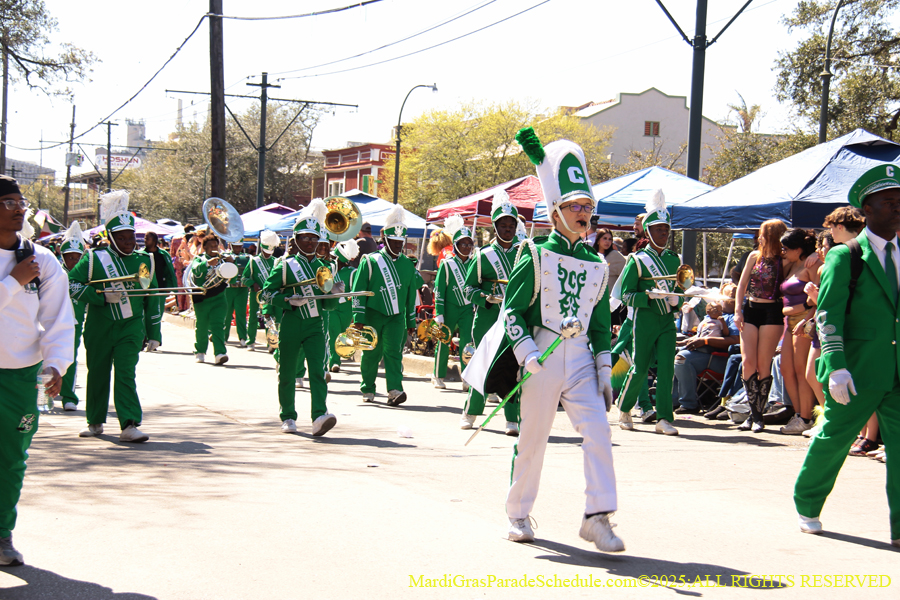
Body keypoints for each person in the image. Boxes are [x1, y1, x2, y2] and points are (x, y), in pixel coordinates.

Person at [485, 129, 622, 552]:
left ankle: (597, 516)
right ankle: (518, 512)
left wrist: (604, 369)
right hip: (540, 355)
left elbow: (601, 323)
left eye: (589, 206)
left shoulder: (596, 263)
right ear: (556, 210)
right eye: (577, 206)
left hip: (580, 358)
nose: (585, 213)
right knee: (533, 440)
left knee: (598, 432)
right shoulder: (534, 252)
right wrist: (526, 354)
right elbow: (511, 311)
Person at [794, 164, 900, 549]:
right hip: (856, 369)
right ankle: (807, 504)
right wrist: (835, 366)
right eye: (889, 202)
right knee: (834, 439)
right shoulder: (846, 256)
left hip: (897, 368)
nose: (898, 207)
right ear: (867, 210)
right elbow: (828, 313)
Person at [0, 176, 75, 566]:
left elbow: (60, 318)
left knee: (12, 458)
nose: (18, 208)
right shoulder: (22, 270)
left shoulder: (41, 260)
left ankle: (1, 535)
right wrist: (13, 283)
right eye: (7, 201)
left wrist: (55, 363)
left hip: (18, 377)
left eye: (20, 200)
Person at [68, 190, 161, 443]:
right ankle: (95, 421)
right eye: (122, 237)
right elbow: (72, 285)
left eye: (131, 237)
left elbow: (153, 298)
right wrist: (98, 296)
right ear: (111, 237)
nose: (129, 242)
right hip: (99, 326)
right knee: (97, 372)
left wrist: (154, 333)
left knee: (125, 372)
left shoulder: (145, 261)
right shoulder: (93, 258)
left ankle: (129, 424)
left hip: (130, 327)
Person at [262, 199, 339, 435]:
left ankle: (319, 416)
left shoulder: (325, 267)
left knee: (318, 371)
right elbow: (265, 293)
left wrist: (335, 293)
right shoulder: (284, 265)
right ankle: (287, 416)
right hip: (291, 323)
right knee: (286, 371)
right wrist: (285, 300)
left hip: (316, 324)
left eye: (315, 238)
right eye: (305, 238)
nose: (311, 242)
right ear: (296, 239)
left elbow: (328, 307)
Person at [616, 191, 684, 435]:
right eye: (658, 230)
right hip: (644, 319)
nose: (663, 234)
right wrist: (647, 296)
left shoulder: (675, 260)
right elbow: (626, 295)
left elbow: (679, 290)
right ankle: (624, 408)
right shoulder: (637, 259)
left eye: (666, 230)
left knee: (667, 368)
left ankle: (664, 418)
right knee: (639, 367)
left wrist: (677, 300)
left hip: (666, 320)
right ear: (648, 231)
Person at [461, 191, 521, 434]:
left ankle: (512, 419)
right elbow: (468, 289)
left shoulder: (524, 253)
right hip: (487, 318)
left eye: (511, 225)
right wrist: (485, 297)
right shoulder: (482, 255)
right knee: (482, 364)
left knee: (513, 368)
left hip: (515, 319)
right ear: (495, 228)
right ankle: (471, 413)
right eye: (503, 225)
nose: (507, 229)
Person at [350, 206, 423, 405]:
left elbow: (410, 295)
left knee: (394, 353)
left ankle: (395, 390)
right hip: (373, 314)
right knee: (372, 353)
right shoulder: (370, 261)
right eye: (394, 241)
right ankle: (368, 387)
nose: (398, 245)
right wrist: (358, 318)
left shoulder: (408, 265)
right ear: (385, 240)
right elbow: (359, 291)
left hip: (397, 317)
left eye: (401, 242)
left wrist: (410, 321)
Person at [733, 218, 788, 432]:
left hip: (772, 311)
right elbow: (742, 285)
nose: (760, 238)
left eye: (763, 234)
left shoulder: (784, 259)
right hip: (751, 309)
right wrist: (738, 310)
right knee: (748, 362)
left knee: (763, 363)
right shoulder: (753, 256)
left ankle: (758, 415)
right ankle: (753, 413)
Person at [777, 229, 820, 434]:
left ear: (798, 249)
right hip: (788, 322)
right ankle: (799, 413)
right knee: (786, 369)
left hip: (804, 322)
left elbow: (818, 294)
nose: (783, 251)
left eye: (786, 248)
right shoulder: (791, 263)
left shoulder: (812, 264)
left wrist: (805, 314)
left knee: (803, 371)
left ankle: (805, 417)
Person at [432, 214, 475, 391]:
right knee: (443, 341)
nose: (466, 247)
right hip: (449, 308)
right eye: (462, 244)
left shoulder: (474, 263)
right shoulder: (447, 264)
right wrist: (439, 313)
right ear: (455, 245)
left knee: (467, 343)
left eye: (469, 244)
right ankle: (437, 375)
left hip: (467, 309)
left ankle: (467, 377)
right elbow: (439, 290)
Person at [188, 236, 232, 365]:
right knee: (201, 326)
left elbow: (232, 278)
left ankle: (220, 353)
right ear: (204, 247)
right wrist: (207, 263)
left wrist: (231, 263)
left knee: (218, 325)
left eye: (216, 246)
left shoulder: (222, 261)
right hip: (202, 298)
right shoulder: (199, 259)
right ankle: (200, 352)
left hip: (219, 298)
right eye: (211, 246)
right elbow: (195, 269)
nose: (214, 249)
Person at [59, 221, 88, 411]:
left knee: (70, 358)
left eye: (78, 258)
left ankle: (68, 396)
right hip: (52, 323)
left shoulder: (88, 275)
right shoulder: (54, 273)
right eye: (70, 258)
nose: (74, 262)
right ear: (63, 257)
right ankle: (45, 393)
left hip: (75, 324)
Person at [243, 230, 281, 352]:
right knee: (253, 318)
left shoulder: (275, 261)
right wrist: (252, 283)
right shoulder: (253, 261)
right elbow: (244, 278)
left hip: (270, 295)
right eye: (266, 252)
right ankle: (251, 341)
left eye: (270, 252)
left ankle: (271, 342)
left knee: (270, 319)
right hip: (256, 295)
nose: (268, 254)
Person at [327, 239, 359, 373]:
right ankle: (334, 361)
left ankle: (339, 355)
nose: (332, 259)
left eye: (335, 257)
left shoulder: (352, 272)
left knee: (342, 333)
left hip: (346, 308)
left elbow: (355, 290)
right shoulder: (329, 269)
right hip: (332, 307)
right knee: (333, 332)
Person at [142, 231, 177, 350]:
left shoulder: (163, 254)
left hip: (159, 289)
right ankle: (143, 338)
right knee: (143, 314)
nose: (145, 241)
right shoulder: (141, 254)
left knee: (156, 315)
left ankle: (154, 340)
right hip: (143, 289)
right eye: (145, 238)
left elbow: (169, 272)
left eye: (148, 239)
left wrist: (169, 287)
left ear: (155, 241)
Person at [221, 241, 251, 347]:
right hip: (229, 289)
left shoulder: (246, 256)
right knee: (227, 313)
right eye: (235, 246)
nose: (237, 248)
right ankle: (223, 336)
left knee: (241, 314)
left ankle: (243, 337)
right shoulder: (225, 254)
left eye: (239, 246)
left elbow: (247, 261)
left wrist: (234, 260)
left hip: (242, 289)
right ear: (231, 246)